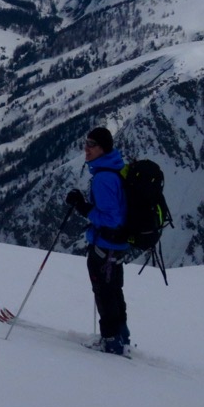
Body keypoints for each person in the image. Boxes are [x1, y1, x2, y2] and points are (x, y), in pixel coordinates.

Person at [66, 126, 131, 355]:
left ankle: (111, 340)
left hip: (106, 244)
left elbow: (112, 218)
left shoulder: (103, 178)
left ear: (103, 148)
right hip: (118, 245)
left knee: (104, 292)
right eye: (86, 143)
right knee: (114, 290)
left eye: (92, 144)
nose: (86, 148)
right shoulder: (116, 169)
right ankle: (121, 335)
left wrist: (83, 207)